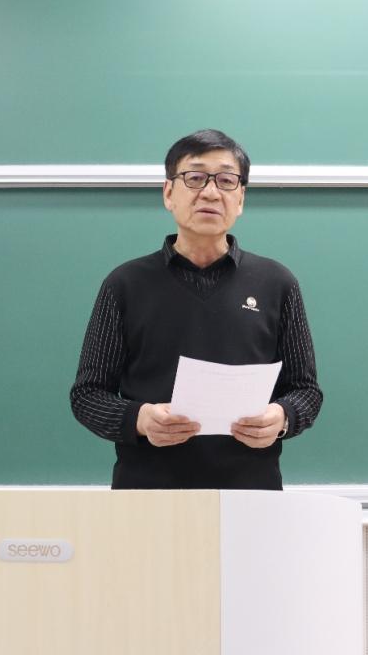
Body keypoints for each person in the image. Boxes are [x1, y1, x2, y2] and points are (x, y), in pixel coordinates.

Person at [70, 129, 323, 489]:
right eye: (195, 177)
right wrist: (139, 419)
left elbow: (306, 390)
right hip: (148, 492)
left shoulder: (277, 282)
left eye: (226, 180)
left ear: (240, 198)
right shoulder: (125, 283)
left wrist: (283, 416)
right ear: (168, 193)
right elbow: (87, 395)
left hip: (251, 492)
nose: (210, 192)